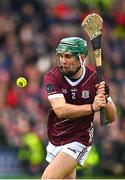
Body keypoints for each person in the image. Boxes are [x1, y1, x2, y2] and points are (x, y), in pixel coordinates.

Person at [41, 37, 116, 179]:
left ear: (81, 58)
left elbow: (112, 118)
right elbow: (61, 110)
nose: (63, 61)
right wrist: (92, 107)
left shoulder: (95, 79)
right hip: (56, 137)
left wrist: (105, 98)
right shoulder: (52, 77)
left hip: (79, 139)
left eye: (68, 56)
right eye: (61, 56)